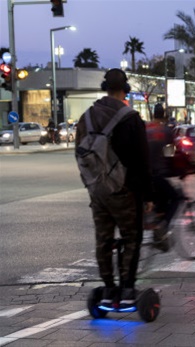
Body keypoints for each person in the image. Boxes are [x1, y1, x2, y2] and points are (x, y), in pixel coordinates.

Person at [75, 68, 153, 308]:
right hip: (124, 192)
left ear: (104, 87)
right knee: (132, 237)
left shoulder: (86, 117)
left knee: (104, 239)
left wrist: (91, 184)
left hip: (97, 192)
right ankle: (127, 288)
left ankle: (108, 288)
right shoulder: (130, 118)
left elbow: (79, 153)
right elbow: (141, 161)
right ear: (125, 89)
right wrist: (147, 195)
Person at [145, 103, 182, 249]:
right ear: (164, 115)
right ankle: (162, 227)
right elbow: (170, 155)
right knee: (175, 198)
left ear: (153, 114)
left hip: (143, 175)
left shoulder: (145, 129)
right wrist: (176, 171)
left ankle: (156, 228)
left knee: (159, 200)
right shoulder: (166, 131)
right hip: (158, 174)